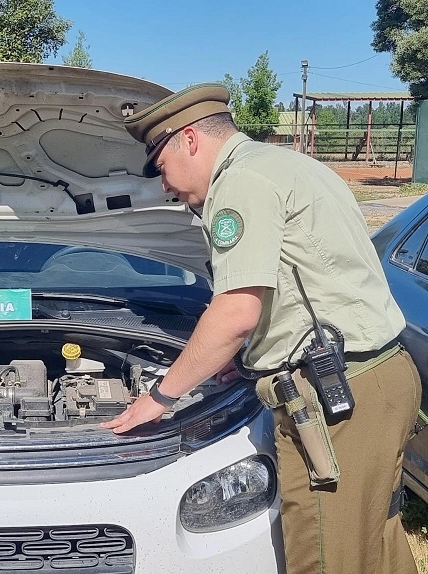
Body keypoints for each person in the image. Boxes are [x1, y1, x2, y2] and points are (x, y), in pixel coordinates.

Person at [102, 83, 421, 574]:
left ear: (189, 139)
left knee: (327, 557)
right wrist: (244, 355)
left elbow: (235, 311)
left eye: (161, 168)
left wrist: (159, 397)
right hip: (380, 377)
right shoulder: (291, 165)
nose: (164, 186)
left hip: (336, 397)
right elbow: (304, 282)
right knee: (375, 542)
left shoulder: (241, 183)